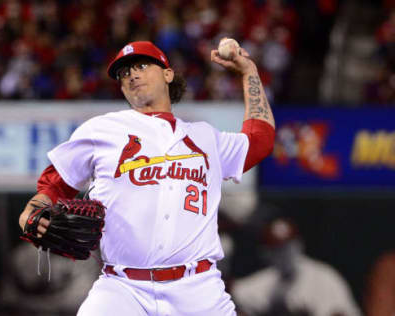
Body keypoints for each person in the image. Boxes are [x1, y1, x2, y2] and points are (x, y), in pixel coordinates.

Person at [18, 40, 276, 315]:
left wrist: (249, 72)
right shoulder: (102, 129)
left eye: (141, 65)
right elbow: (55, 184)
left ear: (168, 74)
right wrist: (32, 210)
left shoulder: (205, 137)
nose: (132, 74)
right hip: (122, 289)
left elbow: (260, 140)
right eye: (124, 72)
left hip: (198, 290)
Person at [231, 218, 361, 316]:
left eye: (288, 247)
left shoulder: (323, 277)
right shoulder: (269, 280)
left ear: (299, 245)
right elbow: (236, 293)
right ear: (266, 254)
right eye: (278, 250)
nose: (285, 254)